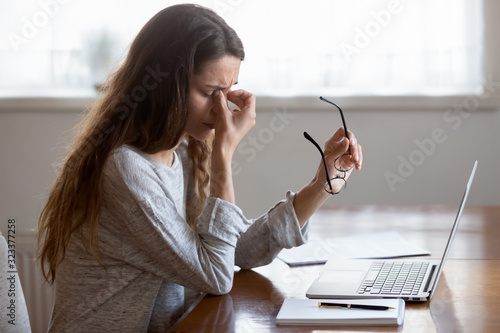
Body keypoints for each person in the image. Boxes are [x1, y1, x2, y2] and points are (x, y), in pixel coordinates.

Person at [38, 4, 362, 332]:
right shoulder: (126, 171)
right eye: (210, 92)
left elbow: (233, 251)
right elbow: (216, 275)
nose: (224, 107)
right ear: (166, 85)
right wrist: (223, 155)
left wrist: (321, 184)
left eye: (230, 89)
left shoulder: (180, 153)